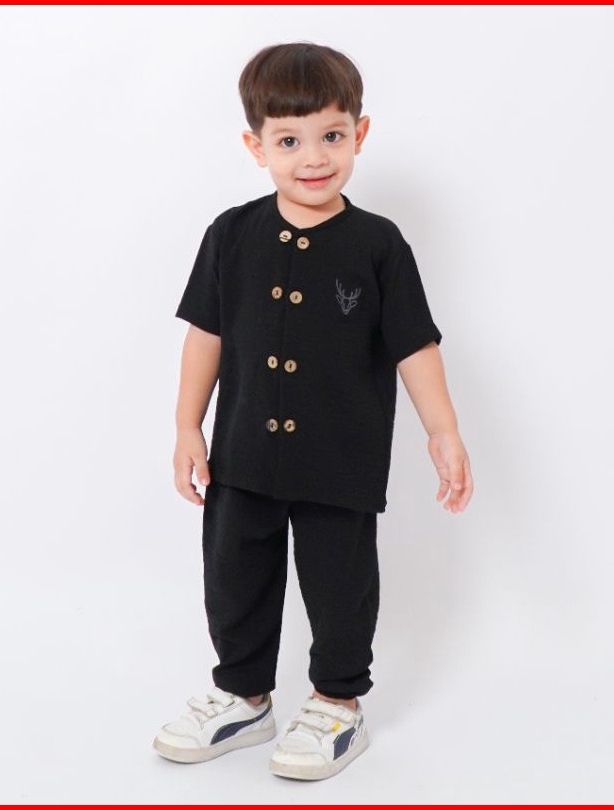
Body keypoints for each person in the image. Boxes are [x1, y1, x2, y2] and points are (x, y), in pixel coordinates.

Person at [153, 42, 473, 781]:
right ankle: (244, 696)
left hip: (340, 458)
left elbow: (415, 345)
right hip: (241, 456)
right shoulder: (231, 234)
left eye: (331, 135)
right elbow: (206, 335)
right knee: (234, 577)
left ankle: (337, 702)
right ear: (256, 146)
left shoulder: (378, 244)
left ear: (360, 133)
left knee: (339, 586)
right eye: (289, 141)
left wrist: (445, 432)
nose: (314, 158)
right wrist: (186, 427)